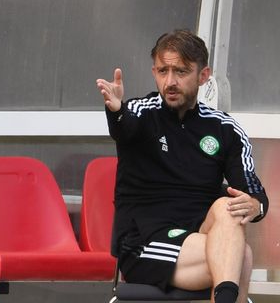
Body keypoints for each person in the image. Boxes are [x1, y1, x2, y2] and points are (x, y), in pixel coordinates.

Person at [96, 29, 268, 303]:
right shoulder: (141, 111)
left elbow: (252, 191)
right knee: (241, 257)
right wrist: (116, 111)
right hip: (145, 243)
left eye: (181, 71)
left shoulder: (225, 128)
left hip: (199, 234)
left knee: (228, 205)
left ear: (203, 75)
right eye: (163, 71)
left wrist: (256, 206)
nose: (170, 81)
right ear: (154, 72)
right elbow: (124, 128)